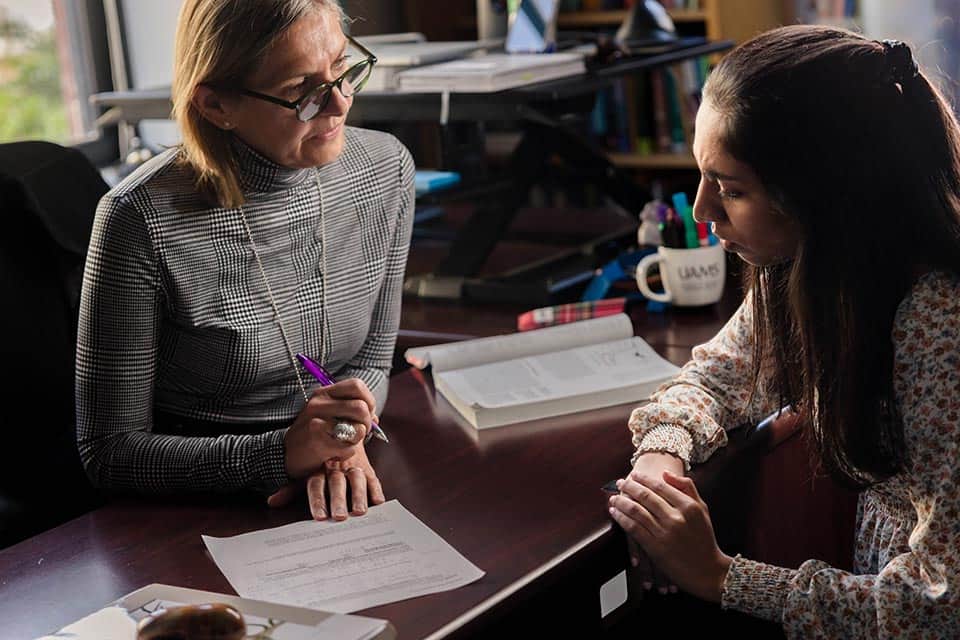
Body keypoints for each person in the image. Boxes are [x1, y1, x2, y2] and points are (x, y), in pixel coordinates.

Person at [609, 25, 960, 637]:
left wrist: (720, 576)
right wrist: (662, 455)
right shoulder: (809, 264)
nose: (701, 211)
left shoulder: (939, 326)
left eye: (731, 188)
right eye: (701, 176)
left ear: (824, 197)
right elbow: (718, 375)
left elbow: (940, 604)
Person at [76, 0, 414, 522]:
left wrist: (340, 441)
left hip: (335, 475)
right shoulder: (138, 217)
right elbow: (110, 452)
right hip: (196, 502)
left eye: (343, 68)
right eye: (300, 91)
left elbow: (369, 362)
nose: (339, 104)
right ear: (216, 106)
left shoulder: (385, 169)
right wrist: (280, 454)